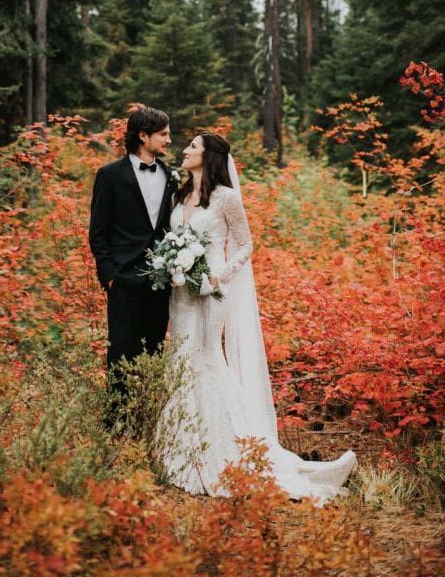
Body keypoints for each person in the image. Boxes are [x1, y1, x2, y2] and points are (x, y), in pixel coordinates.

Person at [161, 131, 357, 505]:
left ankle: (224, 450)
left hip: (213, 288)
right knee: (180, 359)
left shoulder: (226, 198)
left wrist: (220, 275)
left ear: (210, 156)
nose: (185, 150)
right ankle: (179, 449)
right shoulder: (179, 194)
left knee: (205, 358)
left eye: (193, 146)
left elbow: (247, 245)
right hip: (181, 291)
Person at [88, 105, 177, 419]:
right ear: (143, 135)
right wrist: (109, 275)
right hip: (124, 281)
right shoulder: (111, 175)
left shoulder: (170, 176)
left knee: (154, 352)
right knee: (120, 354)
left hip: (161, 282)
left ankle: (146, 421)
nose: (169, 140)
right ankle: (113, 428)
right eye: (163, 134)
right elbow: (98, 231)